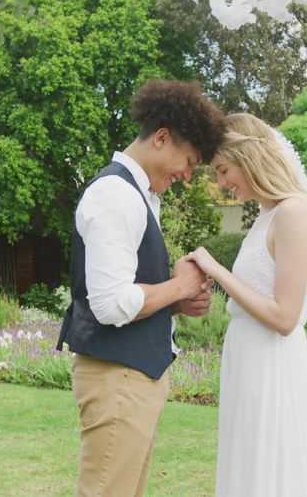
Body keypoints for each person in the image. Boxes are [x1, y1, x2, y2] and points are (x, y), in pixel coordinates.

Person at [185, 113, 307, 497]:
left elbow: (285, 317)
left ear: (250, 157)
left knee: (270, 474)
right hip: (248, 361)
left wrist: (216, 270)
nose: (222, 183)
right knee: (247, 468)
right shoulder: (267, 215)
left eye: (224, 170)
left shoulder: (293, 212)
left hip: (272, 365)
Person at [56, 79, 224, 497]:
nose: (187, 175)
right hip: (118, 380)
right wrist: (179, 284)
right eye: (188, 161)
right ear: (162, 138)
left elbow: (130, 290)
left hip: (132, 378)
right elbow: (111, 305)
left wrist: (176, 302)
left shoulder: (139, 196)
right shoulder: (116, 195)